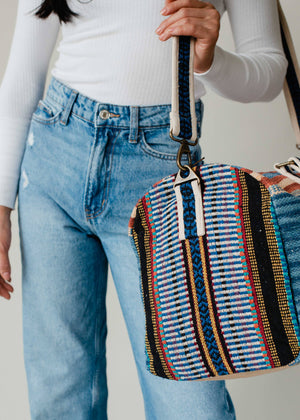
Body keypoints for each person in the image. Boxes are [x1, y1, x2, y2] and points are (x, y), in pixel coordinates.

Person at [0, 0, 288, 419]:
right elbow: (23, 77)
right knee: (60, 398)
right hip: (51, 163)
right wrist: (1, 202)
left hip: (161, 175)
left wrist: (211, 59)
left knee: (192, 406)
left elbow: (268, 71)